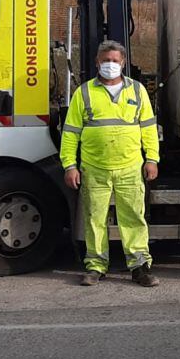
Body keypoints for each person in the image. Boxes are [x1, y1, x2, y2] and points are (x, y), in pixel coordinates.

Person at [61, 40, 160, 288]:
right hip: (95, 168)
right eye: (106, 61)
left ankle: (139, 267)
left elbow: (148, 129)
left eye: (115, 61)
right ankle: (95, 266)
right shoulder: (84, 93)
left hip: (130, 167)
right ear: (97, 62)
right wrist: (69, 165)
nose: (110, 65)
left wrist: (152, 159)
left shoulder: (137, 91)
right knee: (95, 220)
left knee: (134, 218)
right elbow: (71, 132)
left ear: (124, 63)